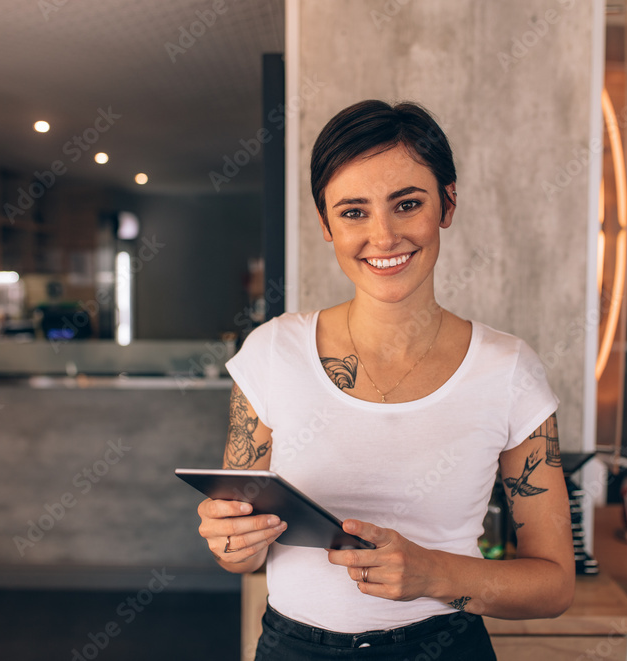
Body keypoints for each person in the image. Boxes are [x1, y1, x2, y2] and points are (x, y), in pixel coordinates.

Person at [197, 100, 574, 660]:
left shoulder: (508, 369)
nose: (384, 234)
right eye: (353, 212)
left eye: (407, 204)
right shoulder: (272, 352)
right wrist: (232, 541)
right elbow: (243, 552)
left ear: (447, 203)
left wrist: (433, 574)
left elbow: (554, 585)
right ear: (325, 224)